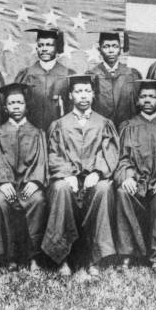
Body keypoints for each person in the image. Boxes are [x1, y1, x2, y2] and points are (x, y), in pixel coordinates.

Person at [42, 75, 119, 278]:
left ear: (93, 94)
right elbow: (52, 154)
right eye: (78, 91)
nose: (83, 95)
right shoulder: (59, 124)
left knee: (104, 189)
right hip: (68, 180)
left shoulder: (104, 124)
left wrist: (97, 172)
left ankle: (96, 258)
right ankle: (62, 258)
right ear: (70, 95)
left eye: (87, 91)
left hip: (93, 179)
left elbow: (110, 152)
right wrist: (67, 175)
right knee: (60, 189)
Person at [114, 80, 156, 272]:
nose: (147, 100)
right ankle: (127, 254)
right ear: (137, 100)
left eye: (152, 96)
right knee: (122, 193)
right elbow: (122, 157)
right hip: (136, 181)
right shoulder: (128, 126)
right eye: (143, 96)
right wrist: (127, 176)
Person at [0, 82, 48, 272]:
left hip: (28, 186)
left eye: (20, 102)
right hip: (5, 187)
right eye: (12, 103)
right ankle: (7, 257)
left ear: (27, 106)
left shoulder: (37, 133)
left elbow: (42, 162)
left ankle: (34, 257)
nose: (16, 107)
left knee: (37, 200)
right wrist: (1, 183)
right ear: (5, 108)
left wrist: (35, 181)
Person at [15, 28, 75, 132]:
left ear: (57, 47)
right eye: (41, 45)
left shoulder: (68, 75)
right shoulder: (25, 75)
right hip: (31, 133)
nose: (44, 49)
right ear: (37, 48)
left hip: (60, 133)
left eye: (49, 45)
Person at [87, 30, 142, 127]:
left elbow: (138, 108)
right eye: (106, 46)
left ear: (120, 49)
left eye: (115, 46)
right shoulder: (91, 76)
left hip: (127, 131)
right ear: (99, 49)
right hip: (100, 130)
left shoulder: (132, 75)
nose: (111, 50)